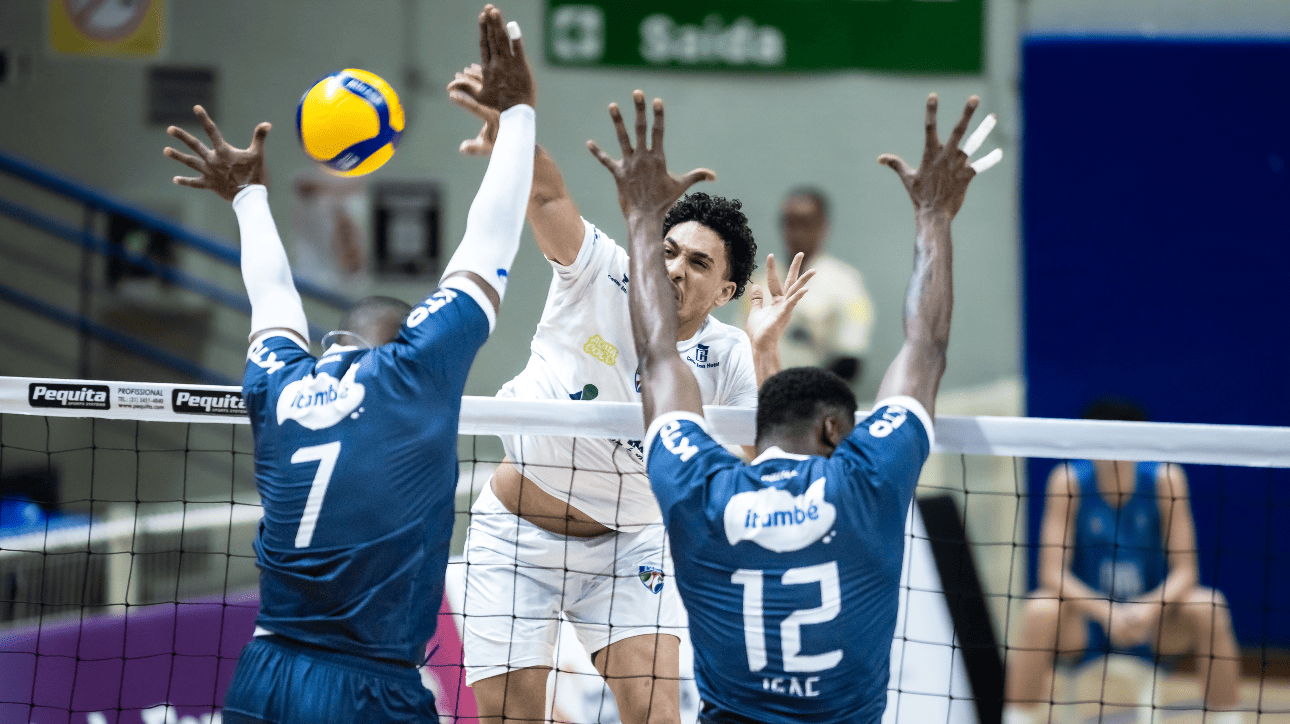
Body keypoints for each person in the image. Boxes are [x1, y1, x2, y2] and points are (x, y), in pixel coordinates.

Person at [162, 6, 535, 722]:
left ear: (333, 342)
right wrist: (517, 116)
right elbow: (490, 244)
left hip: (262, 675)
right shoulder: (409, 374)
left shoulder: (278, 383)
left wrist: (244, 197)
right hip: (365, 686)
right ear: (401, 339)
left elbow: (271, 299)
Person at [593, 89, 991, 722]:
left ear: (762, 426)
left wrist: (643, 217)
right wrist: (935, 217)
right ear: (835, 428)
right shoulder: (867, 484)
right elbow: (927, 347)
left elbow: (659, 357)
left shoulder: (703, 491)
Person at [447, 76, 812, 723]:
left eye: (699, 264)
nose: (675, 268)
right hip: (515, 539)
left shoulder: (727, 354)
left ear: (725, 291)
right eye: (668, 252)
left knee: (655, 716)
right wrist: (516, 122)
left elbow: (770, 463)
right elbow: (549, 193)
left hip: (628, 550)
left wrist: (763, 349)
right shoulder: (601, 270)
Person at [1004, 401, 1243, 724]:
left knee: (1210, 606)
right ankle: (1017, 718)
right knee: (1039, 609)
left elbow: (1186, 571)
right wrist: (1106, 611)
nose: (1113, 453)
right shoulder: (1068, 481)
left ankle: (1228, 719)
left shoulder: (1166, 480)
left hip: (1152, 624)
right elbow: (1051, 572)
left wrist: (1146, 609)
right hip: (1088, 624)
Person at [739, 187, 875, 385]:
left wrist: (804, 389)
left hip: (816, 396)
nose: (797, 233)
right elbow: (743, 344)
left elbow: (850, 359)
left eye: (806, 224)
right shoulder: (761, 281)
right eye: (790, 224)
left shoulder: (846, 284)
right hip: (762, 392)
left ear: (823, 226)